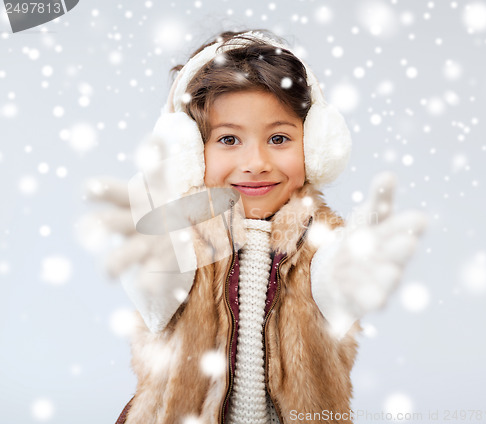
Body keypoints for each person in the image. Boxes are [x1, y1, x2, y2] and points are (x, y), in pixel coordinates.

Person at [87, 29, 427, 424]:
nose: (257, 162)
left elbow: (331, 283)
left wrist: (354, 266)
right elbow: (158, 295)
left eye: (279, 138)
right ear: (191, 154)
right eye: (229, 139)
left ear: (315, 146)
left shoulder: (321, 242)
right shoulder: (184, 236)